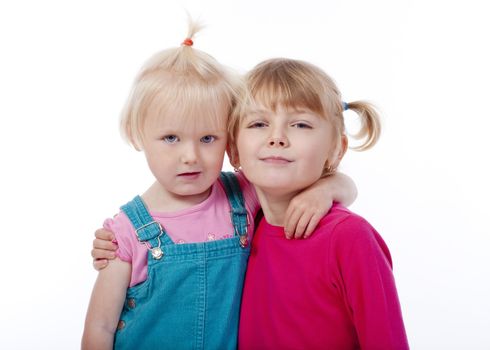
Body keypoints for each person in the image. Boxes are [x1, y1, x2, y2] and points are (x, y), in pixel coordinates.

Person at [82, 21, 357, 350]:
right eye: (171, 138)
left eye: (208, 138)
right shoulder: (125, 232)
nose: (190, 156)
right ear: (137, 135)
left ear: (230, 142)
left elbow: (342, 184)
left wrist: (325, 191)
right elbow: (99, 327)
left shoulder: (242, 194)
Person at [229, 58, 409, 349]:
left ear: (336, 150)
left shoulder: (349, 238)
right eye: (259, 123)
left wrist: (330, 188)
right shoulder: (236, 225)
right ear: (233, 149)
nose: (277, 138)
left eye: (300, 124)